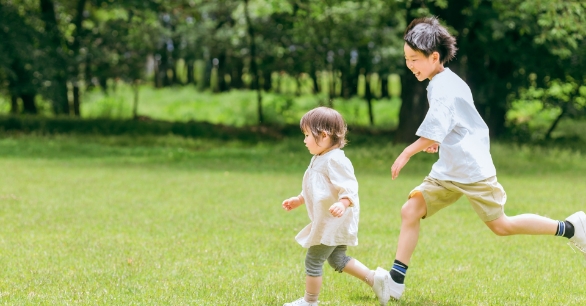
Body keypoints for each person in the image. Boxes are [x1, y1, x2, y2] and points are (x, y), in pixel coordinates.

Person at [373, 16, 586, 305]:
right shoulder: (441, 81)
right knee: (410, 210)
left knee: (502, 226)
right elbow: (452, 123)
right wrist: (437, 140)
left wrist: (407, 151)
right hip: (449, 169)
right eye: (407, 59)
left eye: (414, 59)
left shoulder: (444, 85)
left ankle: (572, 227)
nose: (410, 65)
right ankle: (395, 283)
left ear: (434, 57)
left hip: (472, 170)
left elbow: (439, 122)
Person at [281, 106, 387, 306]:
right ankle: (375, 279)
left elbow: (349, 187)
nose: (304, 140)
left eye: (306, 135)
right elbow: (317, 187)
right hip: (332, 219)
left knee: (313, 260)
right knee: (337, 259)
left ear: (323, 135)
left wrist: (343, 202)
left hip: (334, 220)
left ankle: (310, 302)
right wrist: (299, 198)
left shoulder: (335, 160)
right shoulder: (319, 158)